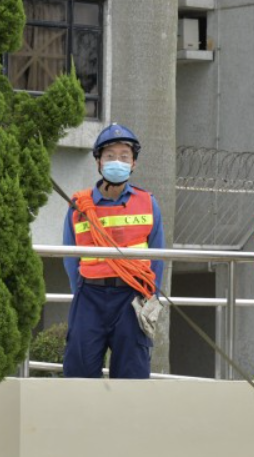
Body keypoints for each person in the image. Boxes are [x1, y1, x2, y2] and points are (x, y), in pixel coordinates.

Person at [62, 123, 165, 379]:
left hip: (132, 298)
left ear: (133, 163)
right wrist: (82, 292)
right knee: (79, 372)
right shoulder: (80, 206)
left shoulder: (148, 202)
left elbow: (158, 257)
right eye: (109, 156)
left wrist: (149, 300)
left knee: (132, 375)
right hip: (89, 296)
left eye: (124, 156)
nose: (116, 162)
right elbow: (69, 257)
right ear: (98, 161)